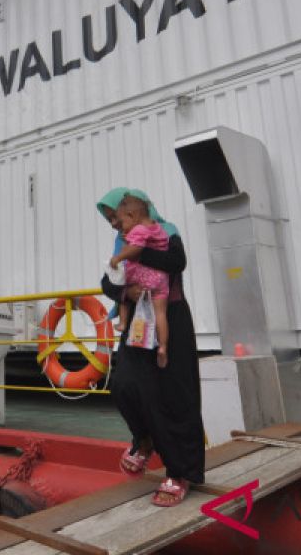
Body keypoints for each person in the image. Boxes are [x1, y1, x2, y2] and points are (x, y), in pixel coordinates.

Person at [97, 187, 205, 507]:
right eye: (109, 220)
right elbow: (108, 282)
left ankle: (180, 472)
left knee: (175, 396)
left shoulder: (166, 232)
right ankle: (144, 442)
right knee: (124, 385)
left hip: (169, 318)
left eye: (115, 217)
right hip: (137, 323)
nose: (113, 225)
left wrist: (138, 247)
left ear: (130, 211)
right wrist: (125, 292)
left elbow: (176, 262)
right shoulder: (122, 242)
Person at [109, 195, 171, 367]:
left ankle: (122, 322)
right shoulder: (157, 228)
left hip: (142, 278)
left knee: (122, 286)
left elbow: (136, 248)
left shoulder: (139, 230)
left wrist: (118, 257)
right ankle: (163, 347)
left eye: (122, 223)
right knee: (161, 314)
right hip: (161, 281)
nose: (122, 228)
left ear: (131, 216)